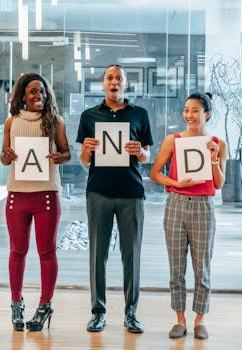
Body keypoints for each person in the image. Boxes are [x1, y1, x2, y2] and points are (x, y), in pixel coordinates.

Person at [76, 65, 153, 333]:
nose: (114, 82)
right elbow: (84, 161)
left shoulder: (140, 115)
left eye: (119, 78)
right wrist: (86, 150)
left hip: (132, 193)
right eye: (110, 78)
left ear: (126, 84)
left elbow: (147, 157)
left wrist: (140, 153)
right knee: (98, 255)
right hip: (99, 192)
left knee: (132, 256)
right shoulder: (89, 116)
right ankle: (98, 313)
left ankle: (131, 314)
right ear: (103, 84)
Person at [150, 92, 227, 340]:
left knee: (201, 267)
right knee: (177, 266)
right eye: (186, 110)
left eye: (195, 110)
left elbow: (219, 184)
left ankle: (200, 319)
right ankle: (180, 319)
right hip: (176, 204)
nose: (189, 115)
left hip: (204, 205)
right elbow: (155, 174)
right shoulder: (173, 141)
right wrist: (177, 183)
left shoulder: (217, 142)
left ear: (207, 114)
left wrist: (214, 158)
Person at [0, 72, 71, 332]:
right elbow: (4, 159)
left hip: (46, 196)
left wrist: (57, 157)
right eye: (32, 92)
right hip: (17, 194)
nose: (38, 96)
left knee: (46, 251)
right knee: (17, 251)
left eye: (41, 91)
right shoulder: (11, 122)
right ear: (23, 96)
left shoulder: (55, 122)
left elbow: (67, 154)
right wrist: (6, 154)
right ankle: (16, 302)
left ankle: (45, 304)